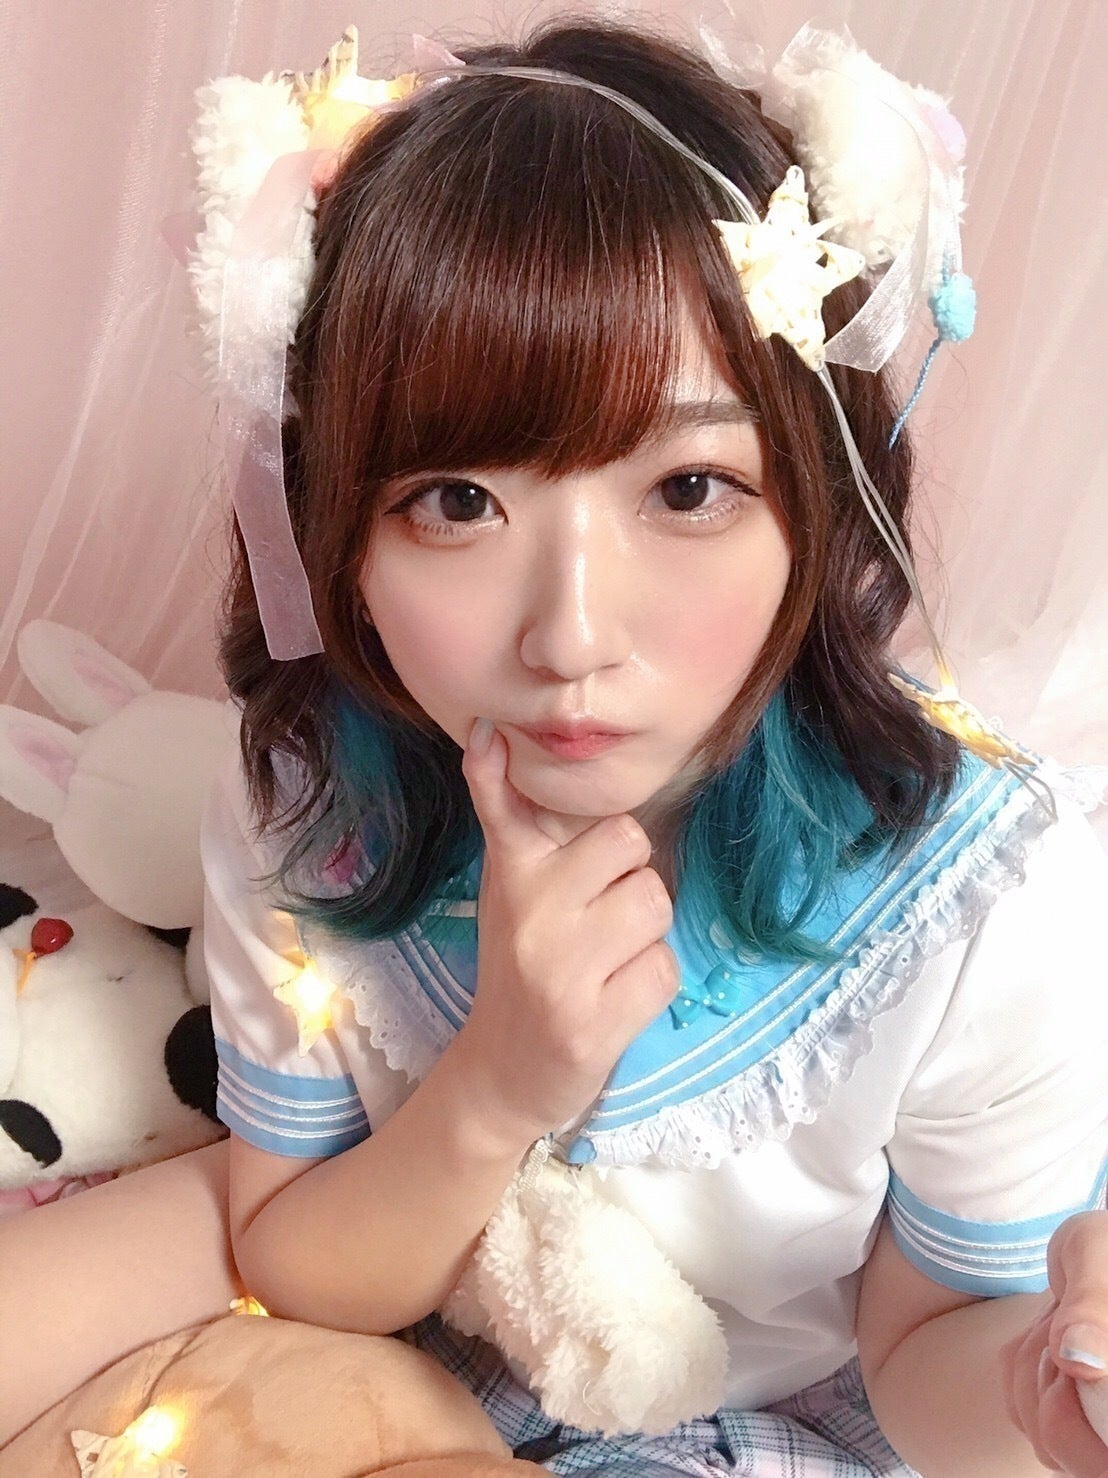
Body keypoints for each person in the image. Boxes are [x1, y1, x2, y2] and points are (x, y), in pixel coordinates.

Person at [0, 17, 1105, 1478]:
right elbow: (293, 1251)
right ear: (337, 526)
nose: (572, 634)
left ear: (818, 502)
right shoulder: (314, 799)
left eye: (690, 488)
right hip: (406, 1373)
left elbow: (926, 1356)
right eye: (458, 503)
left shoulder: (975, 896)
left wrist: (1040, 1383)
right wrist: (498, 1081)